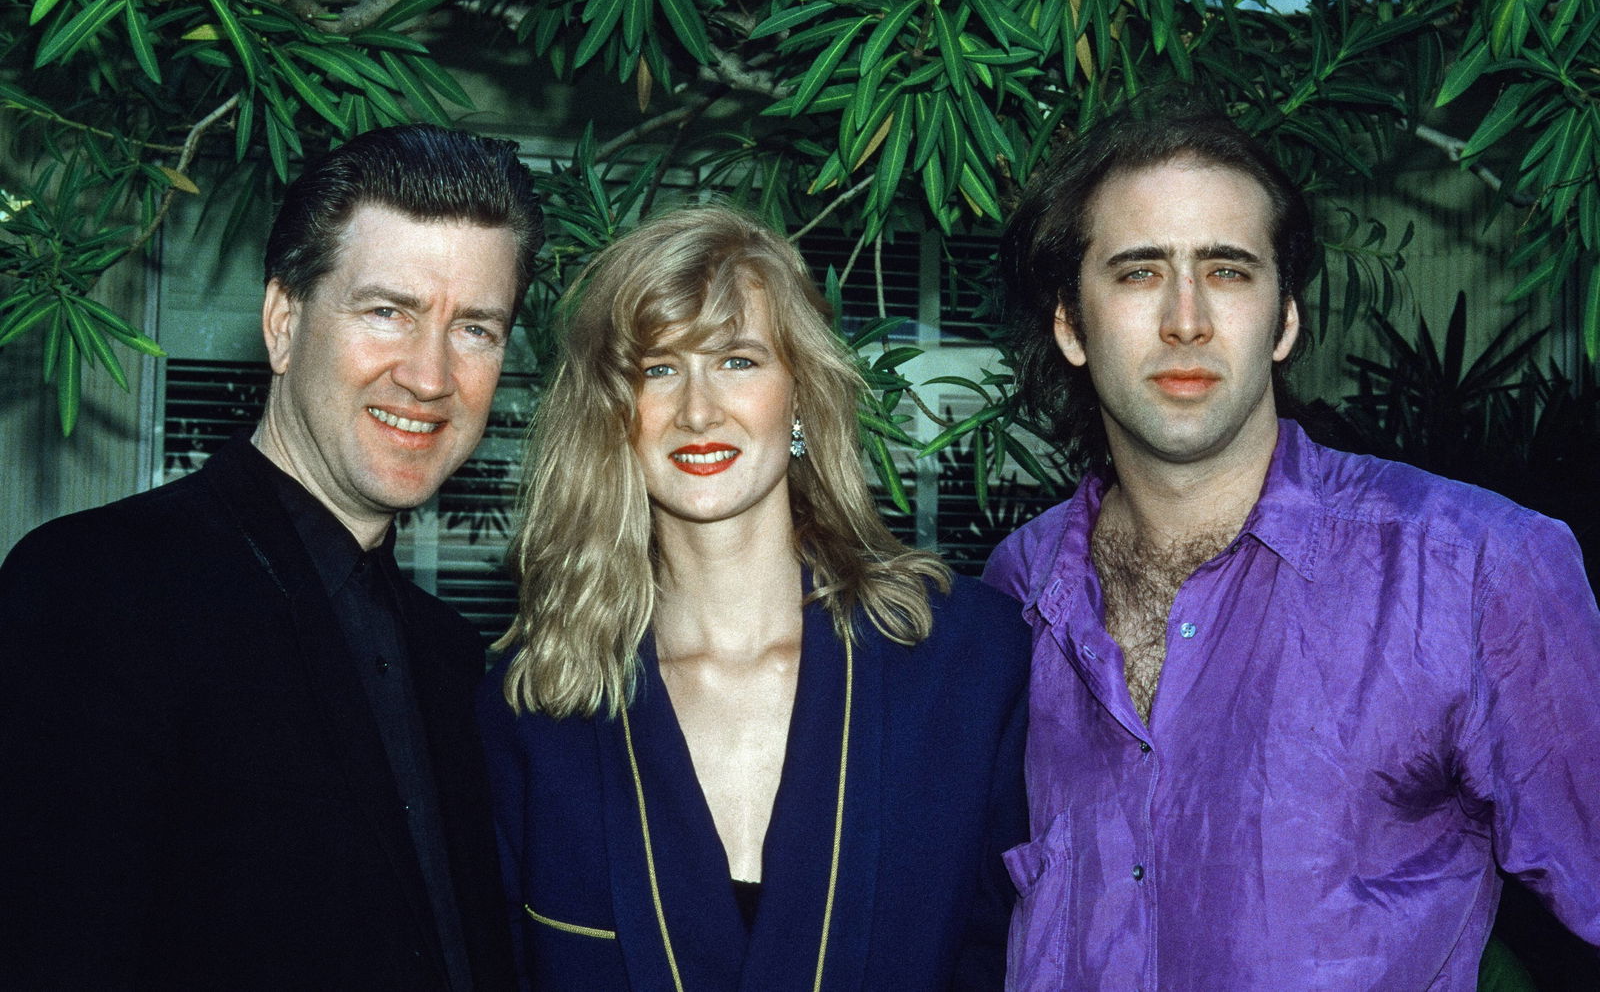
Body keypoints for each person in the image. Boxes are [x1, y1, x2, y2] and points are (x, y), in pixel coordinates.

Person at [984, 106, 1600, 988]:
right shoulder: (1015, 595)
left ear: (1284, 323)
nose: (1186, 319)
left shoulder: (1472, 571)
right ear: (1071, 327)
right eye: (1138, 271)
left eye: (1228, 271)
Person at [0, 123, 543, 990]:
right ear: (283, 323)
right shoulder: (96, 591)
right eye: (388, 311)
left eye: (475, 328)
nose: (431, 375)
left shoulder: (458, 663)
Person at [477, 204, 1029, 990]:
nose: (699, 409)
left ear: (800, 396)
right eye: (658, 368)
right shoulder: (537, 706)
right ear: (613, 415)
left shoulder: (967, 663)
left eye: (737, 359)